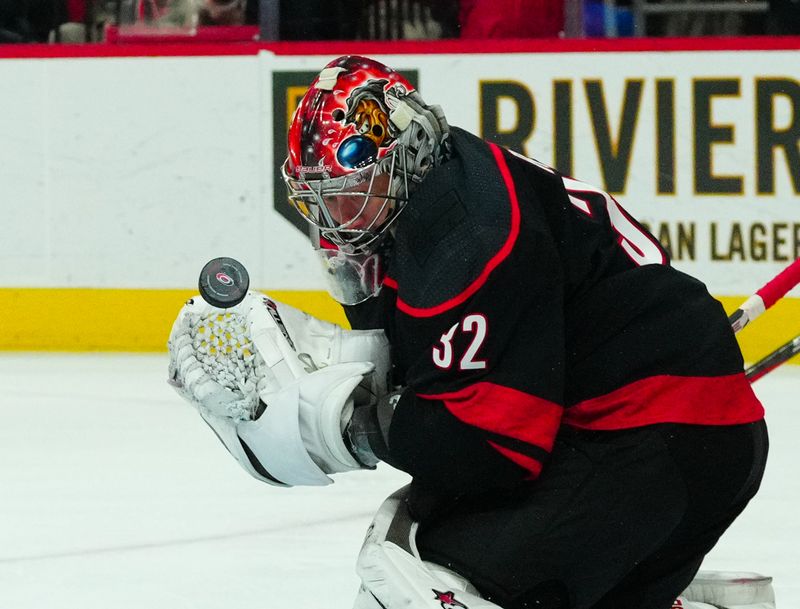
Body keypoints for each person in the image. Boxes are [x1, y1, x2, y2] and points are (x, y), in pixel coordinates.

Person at [168, 56, 772, 609]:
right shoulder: (433, 184)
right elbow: (434, 365)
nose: (334, 222)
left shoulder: (465, 238)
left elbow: (491, 449)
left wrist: (343, 426)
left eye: (351, 195)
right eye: (320, 202)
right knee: (421, 540)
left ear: (399, 157)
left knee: (420, 586)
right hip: (643, 428)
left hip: (656, 439)